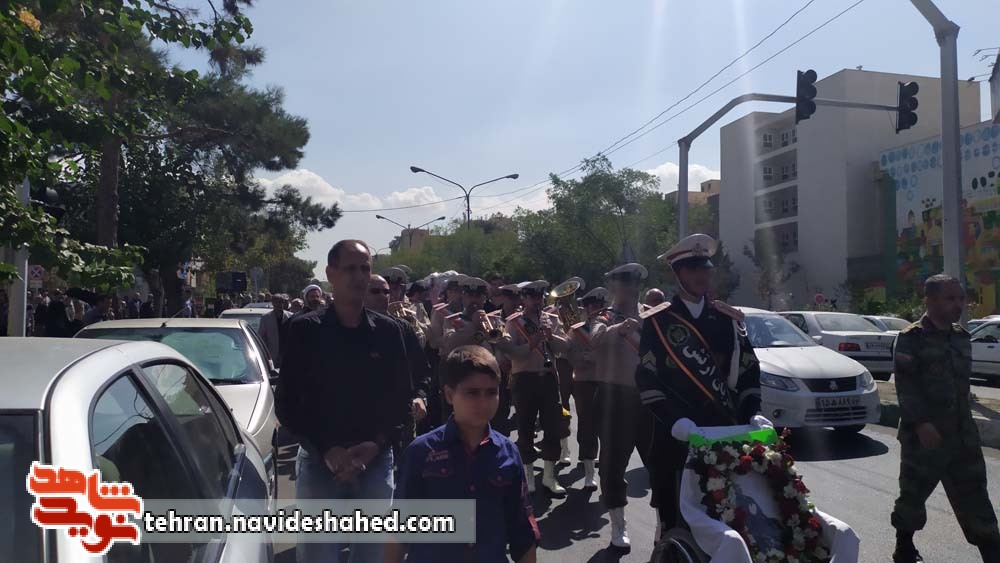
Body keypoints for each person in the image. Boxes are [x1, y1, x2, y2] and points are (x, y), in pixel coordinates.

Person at [276, 240, 428, 563]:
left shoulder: (389, 332)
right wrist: (327, 449)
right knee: (317, 555)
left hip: (375, 461)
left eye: (365, 268)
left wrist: (376, 445)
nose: (358, 276)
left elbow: (401, 398)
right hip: (319, 461)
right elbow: (288, 403)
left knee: (373, 554)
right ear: (331, 273)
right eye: (349, 269)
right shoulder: (304, 330)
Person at [635, 233, 762, 542]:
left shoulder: (727, 318)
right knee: (675, 521)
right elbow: (647, 379)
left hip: (723, 432)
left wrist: (753, 412)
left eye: (705, 268)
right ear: (677, 274)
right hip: (677, 434)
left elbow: (748, 371)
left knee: (728, 518)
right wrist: (676, 420)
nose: (701, 275)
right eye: (692, 269)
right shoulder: (658, 322)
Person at [388, 346, 540, 563]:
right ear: (450, 395)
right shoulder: (421, 451)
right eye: (472, 392)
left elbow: (522, 530)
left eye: (491, 392)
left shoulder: (508, 452)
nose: (483, 402)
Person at [891, 274, 1000, 563]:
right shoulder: (911, 338)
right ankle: (904, 547)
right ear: (929, 300)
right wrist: (922, 423)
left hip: (963, 435)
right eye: (950, 298)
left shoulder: (962, 336)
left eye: (961, 298)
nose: (958, 305)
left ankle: (992, 551)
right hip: (924, 437)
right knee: (913, 496)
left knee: (976, 496)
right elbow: (905, 385)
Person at [589, 263, 657, 552]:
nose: (631, 289)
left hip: (648, 397)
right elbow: (594, 339)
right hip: (614, 398)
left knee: (658, 462)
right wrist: (618, 329)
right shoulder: (603, 316)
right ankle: (618, 524)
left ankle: (664, 523)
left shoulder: (651, 314)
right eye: (625, 284)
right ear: (614, 287)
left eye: (635, 284)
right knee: (613, 465)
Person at [495, 280, 569, 495]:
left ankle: (549, 476)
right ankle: (528, 475)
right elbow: (512, 353)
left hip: (548, 379)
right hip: (524, 379)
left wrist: (551, 336)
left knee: (552, 426)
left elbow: (566, 347)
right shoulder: (514, 322)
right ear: (524, 299)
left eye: (540, 297)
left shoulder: (551, 319)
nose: (537, 301)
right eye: (532, 297)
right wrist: (533, 341)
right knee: (525, 427)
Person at [565, 286, 610, 492]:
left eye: (599, 305)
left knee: (609, 427)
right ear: (585, 307)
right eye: (592, 305)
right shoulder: (576, 330)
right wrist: (585, 357)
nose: (596, 309)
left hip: (607, 381)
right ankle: (589, 472)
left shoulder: (611, 327)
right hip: (585, 382)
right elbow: (570, 355)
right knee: (587, 426)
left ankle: (610, 471)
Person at [257, 293, 292, 368]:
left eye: (280, 302)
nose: (278, 304)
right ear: (272, 303)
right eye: (276, 302)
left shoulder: (290, 316)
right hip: (272, 354)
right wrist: (265, 353)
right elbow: (261, 337)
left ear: (283, 303)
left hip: (287, 353)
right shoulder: (266, 318)